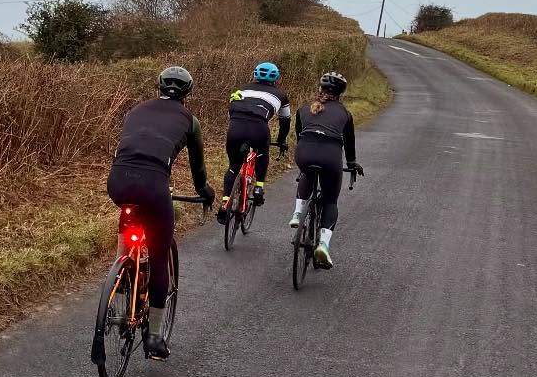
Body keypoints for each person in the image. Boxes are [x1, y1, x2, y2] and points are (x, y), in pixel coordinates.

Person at [105, 65, 215, 360]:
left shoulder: (135, 110)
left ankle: (121, 269)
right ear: (187, 93)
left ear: (158, 87)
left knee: (130, 210)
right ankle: (153, 335)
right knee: (159, 254)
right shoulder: (190, 121)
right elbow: (198, 167)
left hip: (117, 181)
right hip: (154, 186)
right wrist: (205, 191)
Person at [289, 70, 364, 268]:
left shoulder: (304, 108)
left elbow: (299, 134)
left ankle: (297, 213)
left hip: (304, 152)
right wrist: (352, 163)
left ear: (320, 89)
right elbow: (349, 144)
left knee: (307, 171)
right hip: (330, 157)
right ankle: (323, 245)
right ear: (340, 94)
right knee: (330, 200)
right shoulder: (345, 114)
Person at [217, 60, 291, 223]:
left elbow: (232, 111)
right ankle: (259, 188)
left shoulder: (240, 89)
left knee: (234, 166)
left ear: (254, 75)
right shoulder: (281, 95)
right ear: (276, 78)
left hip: (235, 128)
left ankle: (225, 203)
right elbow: (285, 121)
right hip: (259, 129)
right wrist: (281, 141)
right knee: (262, 155)